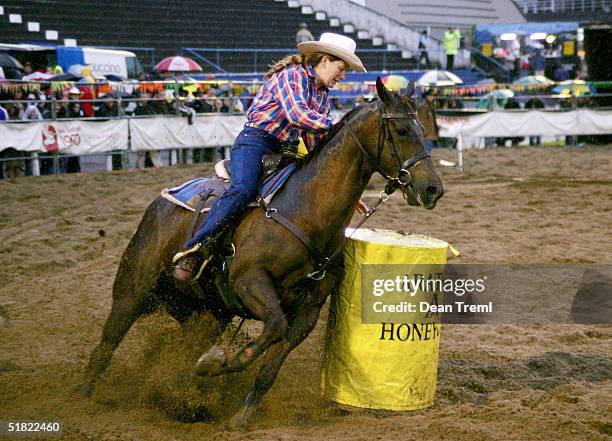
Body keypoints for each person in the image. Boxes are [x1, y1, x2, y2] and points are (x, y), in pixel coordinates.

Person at [173, 32, 366, 281]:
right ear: (325, 60)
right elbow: (298, 115)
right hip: (255, 141)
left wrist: (334, 184)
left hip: (285, 148)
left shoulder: (322, 95)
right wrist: (343, 129)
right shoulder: (292, 76)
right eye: (341, 69)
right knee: (243, 188)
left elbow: (315, 142)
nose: (342, 77)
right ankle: (195, 249)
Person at [417, 89, 439, 156]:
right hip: (427, 134)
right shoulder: (423, 106)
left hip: (430, 133)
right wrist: (425, 132)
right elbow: (421, 121)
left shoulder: (430, 106)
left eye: (433, 96)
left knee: (428, 151)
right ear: (426, 96)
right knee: (427, 152)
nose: (432, 97)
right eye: (430, 95)